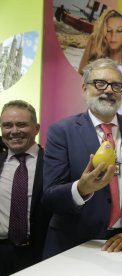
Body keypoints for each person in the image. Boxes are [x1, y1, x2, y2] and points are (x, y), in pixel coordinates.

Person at [42, 58, 122, 258]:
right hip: (72, 245)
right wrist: (81, 189)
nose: (109, 90)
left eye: (116, 85)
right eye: (100, 83)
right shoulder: (61, 131)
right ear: (84, 88)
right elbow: (50, 196)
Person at [0, 100, 50, 275]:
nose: (14, 131)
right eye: (7, 125)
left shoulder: (54, 163)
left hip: (41, 254)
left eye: (21, 125)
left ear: (36, 128)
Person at [78, 9, 122, 74]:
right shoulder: (96, 40)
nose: (113, 36)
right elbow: (81, 73)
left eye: (119, 31)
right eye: (108, 30)